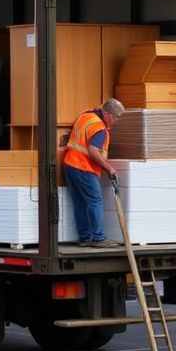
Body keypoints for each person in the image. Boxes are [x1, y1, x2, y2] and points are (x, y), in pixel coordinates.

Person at [62, 98, 125, 248]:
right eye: (116, 117)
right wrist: (109, 168)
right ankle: (98, 238)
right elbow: (93, 151)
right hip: (84, 168)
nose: (115, 121)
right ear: (108, 114)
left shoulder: (86, 116)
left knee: (80, 203)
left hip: (70, 164)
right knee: (95, 201)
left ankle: (85, 238)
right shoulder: (100, 128)